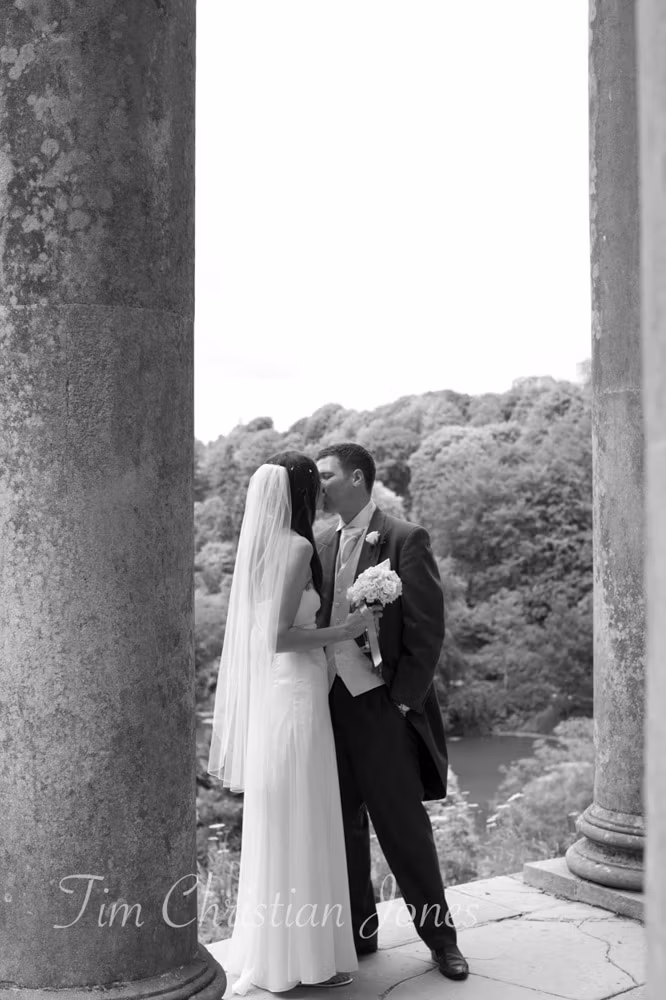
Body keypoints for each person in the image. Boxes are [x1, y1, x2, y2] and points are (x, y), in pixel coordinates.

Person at [208, 452, 379, 995]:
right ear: (303, 492)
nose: (324, 491)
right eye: (317, 482)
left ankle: (279, 956)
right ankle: (305, 960)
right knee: (304, 815)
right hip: (298, 692)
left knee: (285, 819)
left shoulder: (258, 548)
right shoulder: (299, 545)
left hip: (279, 696)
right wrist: (346, 628)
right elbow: (279, 637)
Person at [315, 442, 469, 982]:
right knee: (342, 827)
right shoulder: (318, 541)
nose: (319, 484)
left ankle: (441, 940)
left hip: (383, 707)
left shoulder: (405, 539)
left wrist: (401, 699)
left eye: (326, 475)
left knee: (403, 828)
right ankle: (361, 935)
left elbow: (427, 631)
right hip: (327, 708)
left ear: (356, 478)